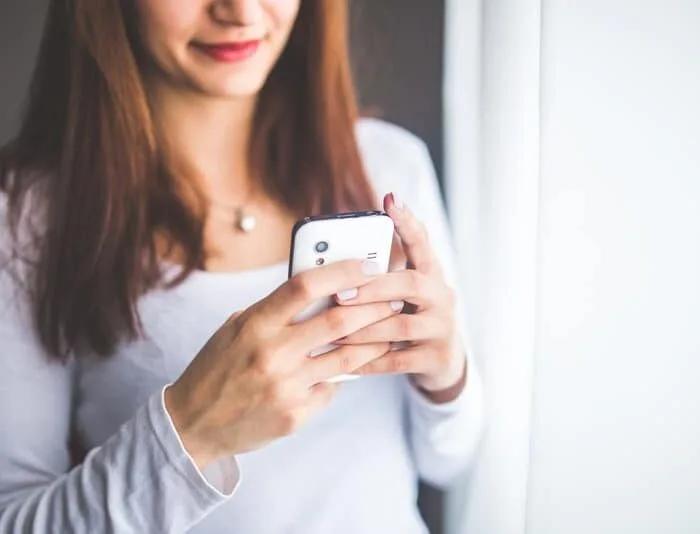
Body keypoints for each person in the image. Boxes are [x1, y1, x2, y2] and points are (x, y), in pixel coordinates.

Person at [0, 0, 484, 532]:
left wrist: (446, 378)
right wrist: (193, 431)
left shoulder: (391, 167)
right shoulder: (25, 218)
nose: (241, 12)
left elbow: (451, 461)